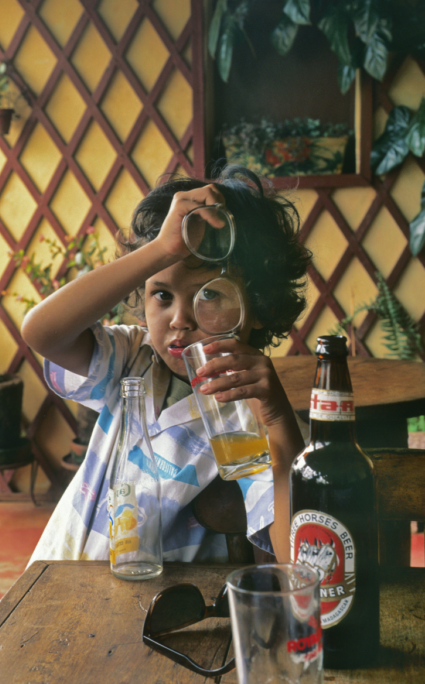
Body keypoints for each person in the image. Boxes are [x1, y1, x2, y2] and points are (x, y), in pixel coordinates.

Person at [23, 165, 311, 566]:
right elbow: (40, 332)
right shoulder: (132, 358)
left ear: (261, 306)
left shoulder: (252, 419)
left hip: (155, 602)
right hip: (58, 579)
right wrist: (161, 249)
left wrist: (278, 420)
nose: (179, 320)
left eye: (209, 295)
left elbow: (297, 557)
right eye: (161, 295)